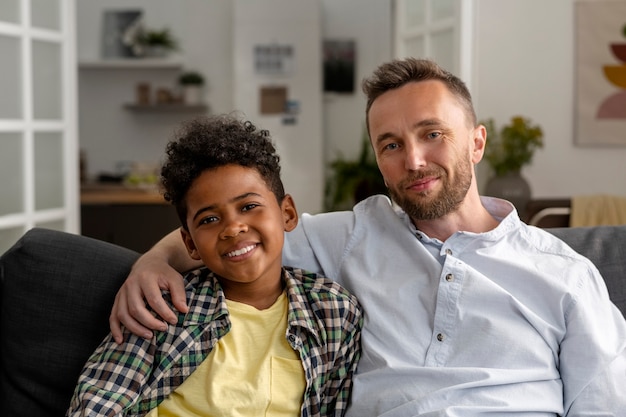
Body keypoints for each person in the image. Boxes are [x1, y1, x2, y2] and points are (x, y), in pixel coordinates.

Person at [110, 59, 626, 416]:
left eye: (432, 134)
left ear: (476, 141)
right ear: (379, 163)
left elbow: (604, 403)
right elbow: (241, 235)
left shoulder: (565, 274)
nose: (414, 160)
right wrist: (153, 261)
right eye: (391, 144)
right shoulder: (355, 233)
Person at [67, 115, 363, 416]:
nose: (233, 228)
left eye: (248, 207)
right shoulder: (164, 308)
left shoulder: (332, 312)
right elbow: (97, 404)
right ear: (190, 243)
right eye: (209, 219)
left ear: (287, 213)